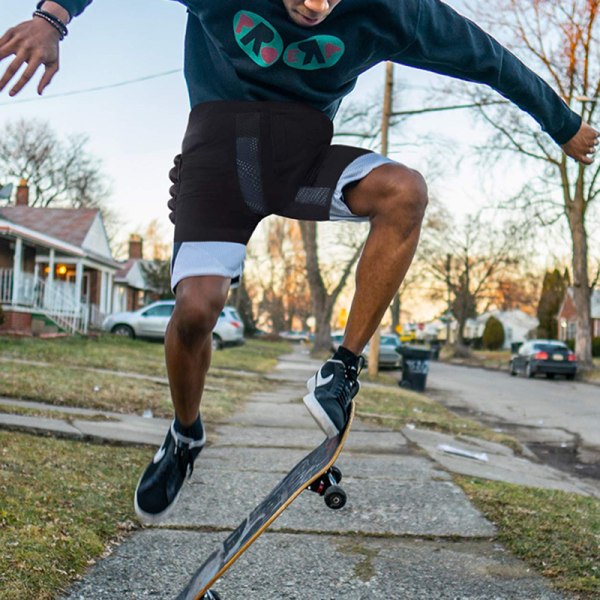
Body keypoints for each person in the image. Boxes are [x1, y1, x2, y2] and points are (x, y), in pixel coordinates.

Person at [1, 0, 597, 523]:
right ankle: (185, 435)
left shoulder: (394, 9)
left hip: (302, 162)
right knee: (195, 311)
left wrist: (563, 122)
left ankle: (341, 368)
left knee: (404, 191)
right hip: (216, 163)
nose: (315, 6)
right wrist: (53, 18)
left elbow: (487, 57)